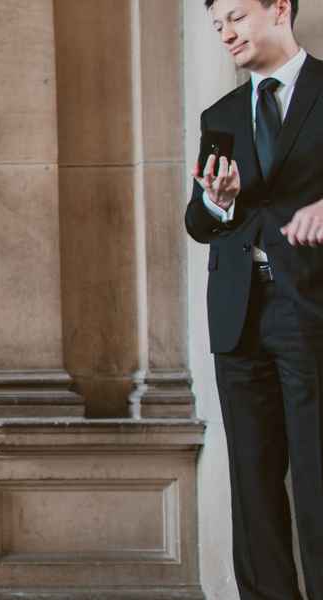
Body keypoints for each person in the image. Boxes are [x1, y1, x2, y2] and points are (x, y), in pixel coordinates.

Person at [189, 0, 323, 597]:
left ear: (280, 9)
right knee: (253, 485)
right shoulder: (219, 114)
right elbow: (199, 220)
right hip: (238, 318)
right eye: (218, 25)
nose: (226, 34)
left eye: (236, 17)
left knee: (319, 482)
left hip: (311, 313)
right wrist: (219, 201)